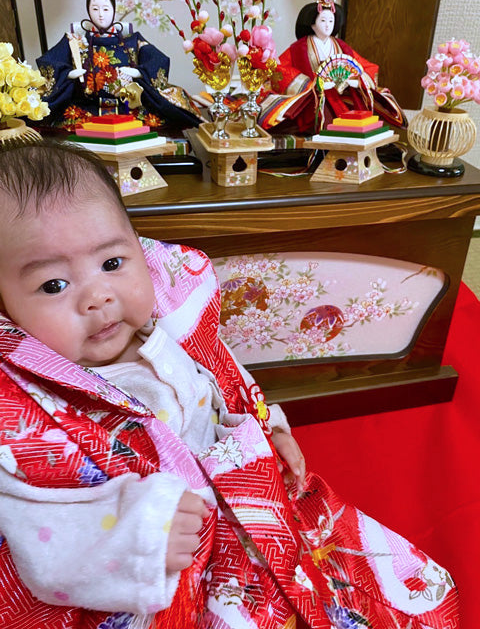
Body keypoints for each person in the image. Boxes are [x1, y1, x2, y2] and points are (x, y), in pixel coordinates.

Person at [0, 140, 458, 629]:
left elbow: (227, 379)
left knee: (378, 583)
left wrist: (267, 428)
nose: (97, 296)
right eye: (53, 285)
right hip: (176, 567)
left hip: (255, 501)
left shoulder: (173, 328)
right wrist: (141, 537)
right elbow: (38, 538)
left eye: (112, 263)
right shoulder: (26, 418)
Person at [37, 0, 201, 131]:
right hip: (87, 109)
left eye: (106, 9)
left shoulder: (133, 40)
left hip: (128, 108)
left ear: (114, 10)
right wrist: (67, 74)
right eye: (95, 9)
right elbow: (49, 62)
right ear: (88, 10)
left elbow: (158, 60)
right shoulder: (75, 41)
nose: (101, 14)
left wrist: (139, 72)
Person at [259, 0, 407, 135]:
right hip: (313, 97)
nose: (327, 25)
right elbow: (280, 68)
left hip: (341, 93)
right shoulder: (299, 47)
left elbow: (365, 66)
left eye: (331, 21)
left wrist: (356, 81)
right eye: (322, 20)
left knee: (371, 108)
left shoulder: (341, 46)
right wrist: (311, 85)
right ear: (312, 24)